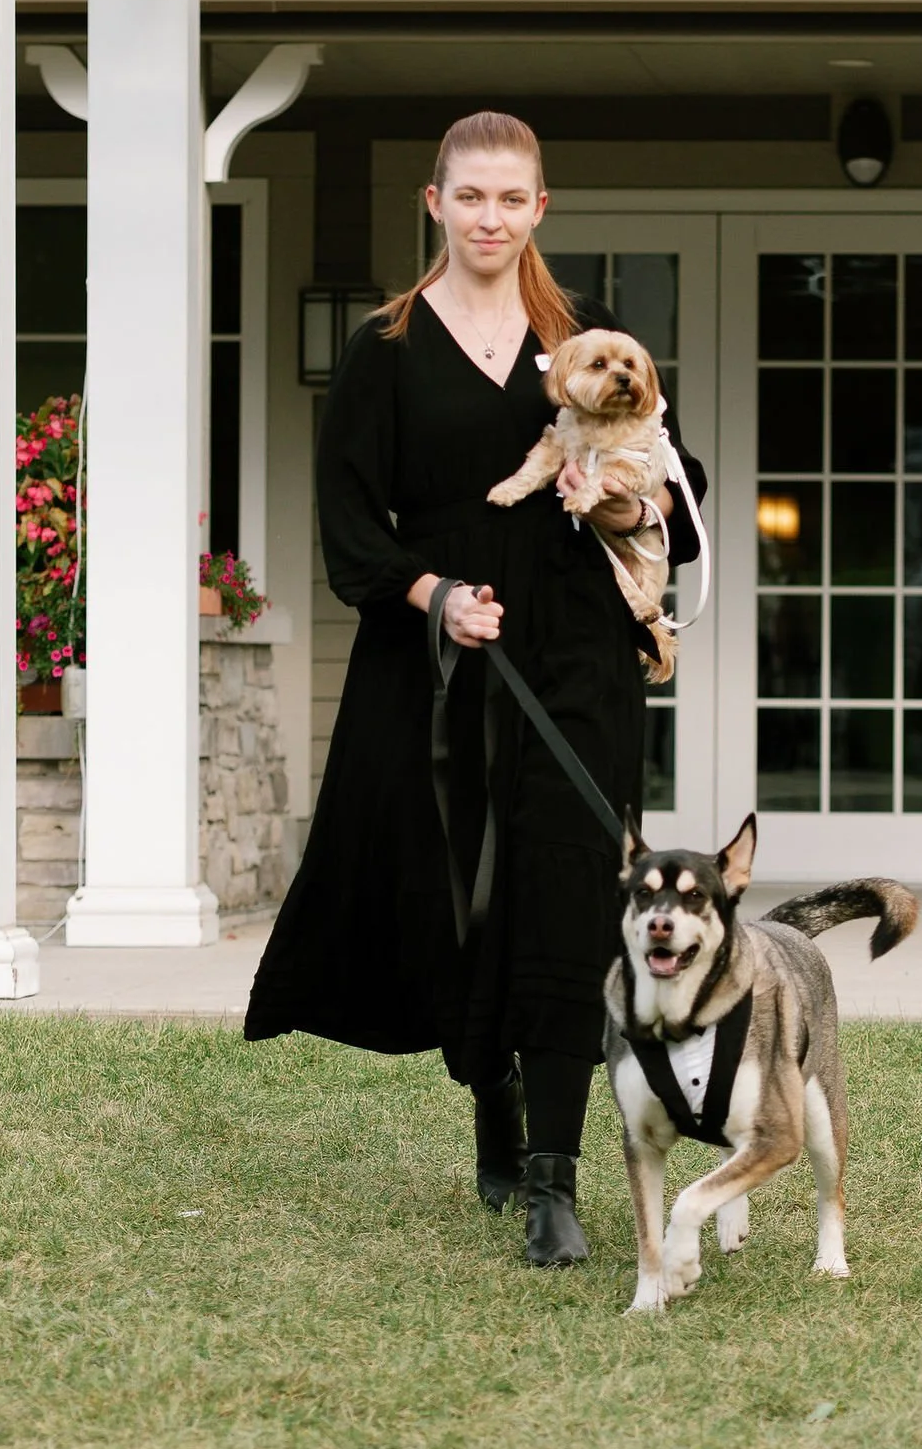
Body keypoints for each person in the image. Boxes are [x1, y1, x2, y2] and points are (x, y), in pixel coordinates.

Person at [245, 111, 704, 1269]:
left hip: (576, 651)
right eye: (471, 197)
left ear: (538, 209)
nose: (491, 218)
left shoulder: (584, 340)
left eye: (513, 199)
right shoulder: (383, 350)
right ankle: (488, 1090)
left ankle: (555, 1173)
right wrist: (436, 593)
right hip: (441, 654)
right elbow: (350, 528)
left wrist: (634, 508)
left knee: (561, 892)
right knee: (455, 894)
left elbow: (677, 481)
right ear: (434, 203)